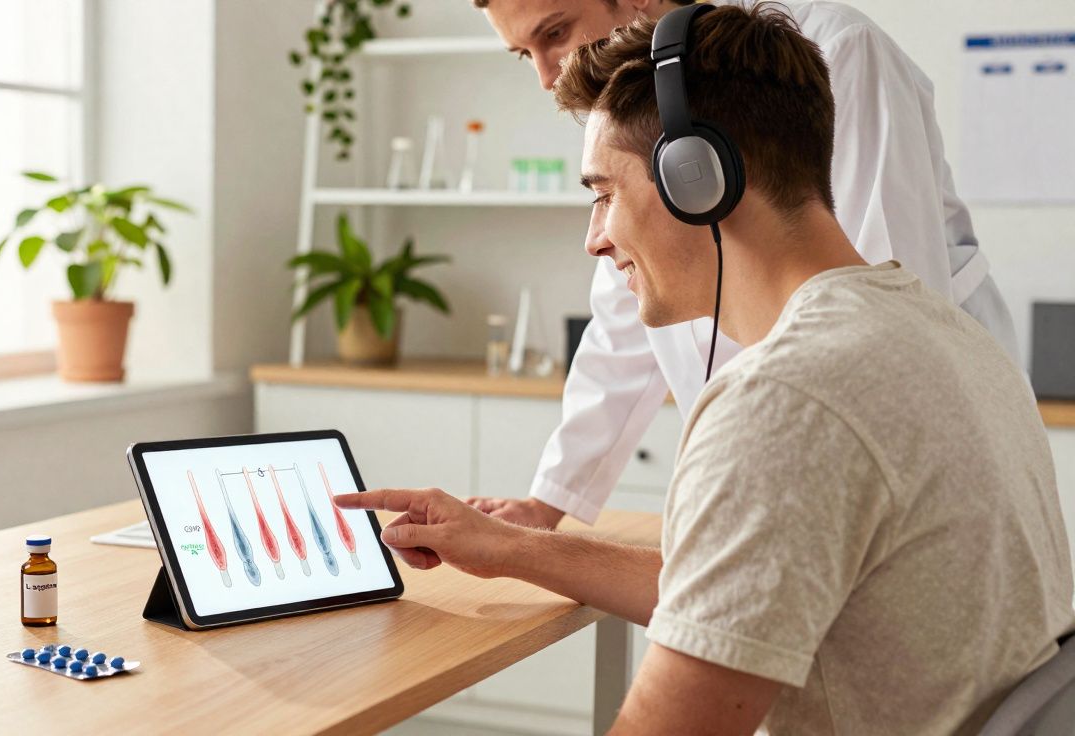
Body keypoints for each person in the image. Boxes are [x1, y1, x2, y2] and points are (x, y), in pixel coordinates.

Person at [337, 6, 1074, 733]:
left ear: (699, 181)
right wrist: (512, 545)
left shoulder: (788, 403)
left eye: (603, 196)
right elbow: (744, 592)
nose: (594, 240)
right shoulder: (953, 340)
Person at [466, 0, 1023, 530]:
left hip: (895, 429)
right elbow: (621, 324)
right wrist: (547, 503)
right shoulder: (641, 112)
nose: (544, 75)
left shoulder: (835, 50)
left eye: (556, 32)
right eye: (524, 54)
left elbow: (889, 296)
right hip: (775, 440)